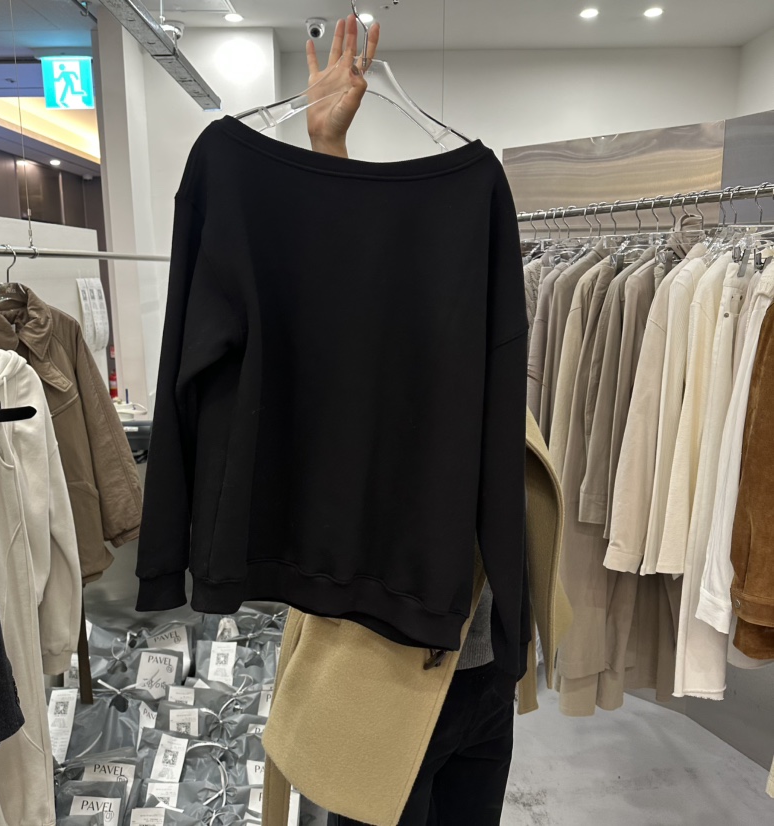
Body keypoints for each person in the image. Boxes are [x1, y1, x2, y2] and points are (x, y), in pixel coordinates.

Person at [305, 17, 518, 825]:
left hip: (484, 676)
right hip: (382, 677)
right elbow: (336, 301)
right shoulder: (368, 368)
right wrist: (328, 150)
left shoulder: (490, 347)